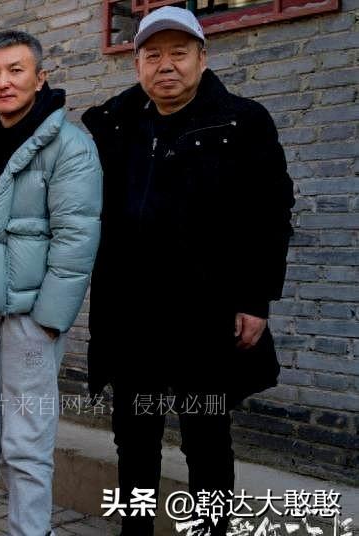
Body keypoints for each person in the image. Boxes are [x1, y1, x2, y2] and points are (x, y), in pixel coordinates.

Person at [81, 7, 294, 535]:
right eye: (153, 55)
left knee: (206, 437)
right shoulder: (111, 124)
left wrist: (255, 299)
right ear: (136, 64)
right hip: (132, 317)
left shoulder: (243, 122)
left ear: (203, 57)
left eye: (179, 53)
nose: (166, 66)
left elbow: (270, 216)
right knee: (134, 439)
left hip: (207, 316)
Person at [0, 30, 102, 536]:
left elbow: (76, 238)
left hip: (29, 318)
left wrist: (49, 321)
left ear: (41, 78)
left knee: (27, 438)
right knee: (0, 427)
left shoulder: (70, 145)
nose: (3, 82)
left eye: (15, 70)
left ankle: (31, 531)